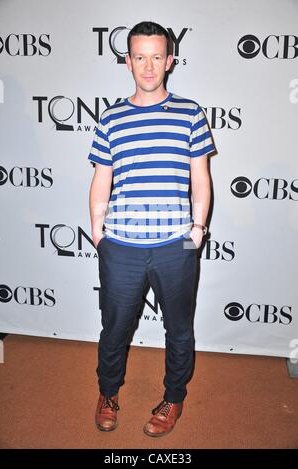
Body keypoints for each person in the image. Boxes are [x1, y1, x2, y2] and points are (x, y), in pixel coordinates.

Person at [88, 21, 215, 437]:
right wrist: (97, 231)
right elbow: (102, 177)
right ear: (127, 61)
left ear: (170, 61)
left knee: (178, 328)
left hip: (175, 246)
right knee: (114, 328)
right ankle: (108, 393)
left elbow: (201, 176)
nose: (148, 65)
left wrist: (197, 230)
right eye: (139, 56)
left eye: (156, 56)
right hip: (120, 246)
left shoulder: (190, 113)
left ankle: (173, 398)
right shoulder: (111, 118)